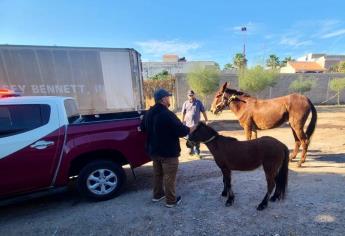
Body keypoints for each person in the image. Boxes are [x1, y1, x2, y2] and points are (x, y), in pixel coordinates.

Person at [140, 88, 190, 208]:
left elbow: (142, 128)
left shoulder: (148, 113)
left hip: (154, 151)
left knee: (158, 175)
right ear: (163, 99)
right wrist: (190, 128)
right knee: (169, 177)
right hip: (168, 153)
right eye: (168, 97)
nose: (169, 99)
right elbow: (182, 131)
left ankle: (157, 195)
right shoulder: (167, 114)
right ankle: (171, 201)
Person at [181, 90, 208, 157]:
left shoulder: (198, 103)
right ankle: (190, 149)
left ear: (194, 95)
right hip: (188, 125)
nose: (191, 96)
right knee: (189, 138)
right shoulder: (185, 103)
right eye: (189, 95)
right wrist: (182, 121)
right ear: (187, 96)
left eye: (192, 95)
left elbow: (203, 111)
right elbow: (183, 113)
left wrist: (206, 120)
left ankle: (197, 151)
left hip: (196, 125)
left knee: (197, 138)